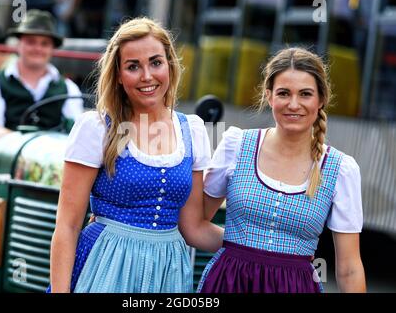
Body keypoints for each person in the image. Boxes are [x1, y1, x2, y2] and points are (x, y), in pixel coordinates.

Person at [49, 17, 223, 293]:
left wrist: (257, 244)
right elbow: (68, 227)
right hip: (105, 264)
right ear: (118, 75)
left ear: (170, 64)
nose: (147, 76)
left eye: (156, 62)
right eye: (133, 66)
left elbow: (194, 229)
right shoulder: (96, 128)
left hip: (168, 271)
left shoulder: (193, 130)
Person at [198, 47, 366, 293]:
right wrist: (241, 248)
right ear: (269, 96)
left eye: (305, 94)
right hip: (229, 282)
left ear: (321, 100)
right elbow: (196, 223)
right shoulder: (236, 145)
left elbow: (349, 267)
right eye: (284, 93)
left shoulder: (341, 169)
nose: (293, 104)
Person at [0, 9, 83, 150]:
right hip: (7, 157)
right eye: (31, 42)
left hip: (52, 160)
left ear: (52, 49)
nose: (38, 48)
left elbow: (77, 133)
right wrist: (26, 149)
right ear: (18, 44)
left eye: (44, 44)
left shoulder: (69, 88)